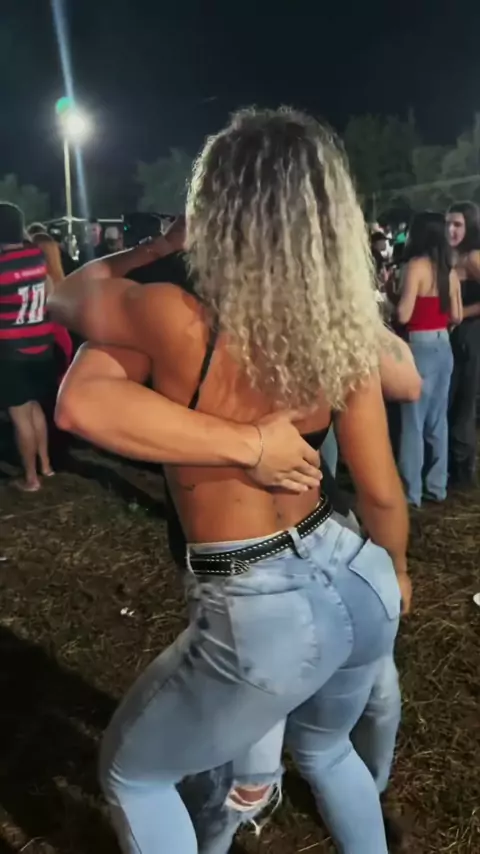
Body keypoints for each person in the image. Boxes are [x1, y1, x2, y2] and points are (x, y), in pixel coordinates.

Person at [53, 108, 408, 854]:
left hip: (261, 601)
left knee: (133, 777)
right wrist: (400, 570)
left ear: (215, 207)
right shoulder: (340, 331)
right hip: (357, 571)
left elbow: (66, 295)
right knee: (326, 752)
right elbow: (379, 490)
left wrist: (158, 246)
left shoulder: (170, 315)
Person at [396, 212, 462, 506]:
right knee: (438, 421)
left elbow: (403, 314)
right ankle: (437, 487)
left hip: (419, 346)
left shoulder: (416, 266)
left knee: (413, 422)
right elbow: (457, 315)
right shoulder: (449, 271)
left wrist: (391, 301)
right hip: (444, 345)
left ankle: (411, 492)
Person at [0, 203, 55, 490]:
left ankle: (31, 479)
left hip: (12, 351)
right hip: (43, 345)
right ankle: (46, 466)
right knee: (34, 407)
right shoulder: (37, 255)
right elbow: (50, 291)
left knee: (19, 414)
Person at [446, 201, 480, 488]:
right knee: (452, 399)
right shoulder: (451, 254)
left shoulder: (473, 257)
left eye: (457, 224)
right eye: (448, 223)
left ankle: (463, 471)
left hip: (470, 333)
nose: (451, 229)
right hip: (454, 334)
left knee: (464, 402)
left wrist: (461, 315)